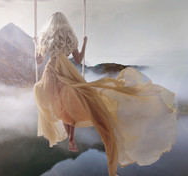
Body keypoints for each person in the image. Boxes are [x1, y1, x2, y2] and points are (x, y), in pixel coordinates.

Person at [33, 12, 177, 176]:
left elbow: (38, 61)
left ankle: (70, 138)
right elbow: (79, 60)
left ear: (49, 25)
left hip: (50, 73)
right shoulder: (70, 39)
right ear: (65, 24)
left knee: (60, 105)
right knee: (75, 100)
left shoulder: (47, 39)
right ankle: (71, 138)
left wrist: (36, 43)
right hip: (67, 74)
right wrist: (85, 44)